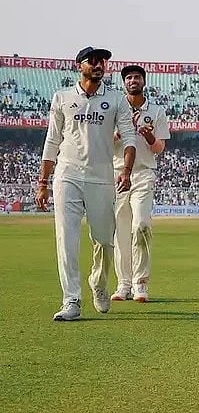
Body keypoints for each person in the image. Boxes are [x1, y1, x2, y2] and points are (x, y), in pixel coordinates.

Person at [36, 46, 137, 321]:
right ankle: (71, 300)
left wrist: (126, 170)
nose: (98, 65)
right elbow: (52, 141)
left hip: (101, 178)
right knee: (66, 238)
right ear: (79, 65)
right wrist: (43, 181)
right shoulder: (63, 97)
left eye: (102, 61)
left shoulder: (116, 99)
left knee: (104, 241)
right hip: (67, 175)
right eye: (92, 61)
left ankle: (100, 284)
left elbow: (129, 138)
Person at [107, 64, 170, 303]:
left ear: (144, 81)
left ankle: (140, 282)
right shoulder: (114, 108)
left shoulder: (156, 111)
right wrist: (119, 134)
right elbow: (104, 143)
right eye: (129, 77)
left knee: (141, 225)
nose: (133, 80)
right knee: (121, 230)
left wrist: (149, 136)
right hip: (117, 172)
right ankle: (123, 284)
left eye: (137, 77)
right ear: (124, 83)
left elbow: (159, 149)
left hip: (144, 172)